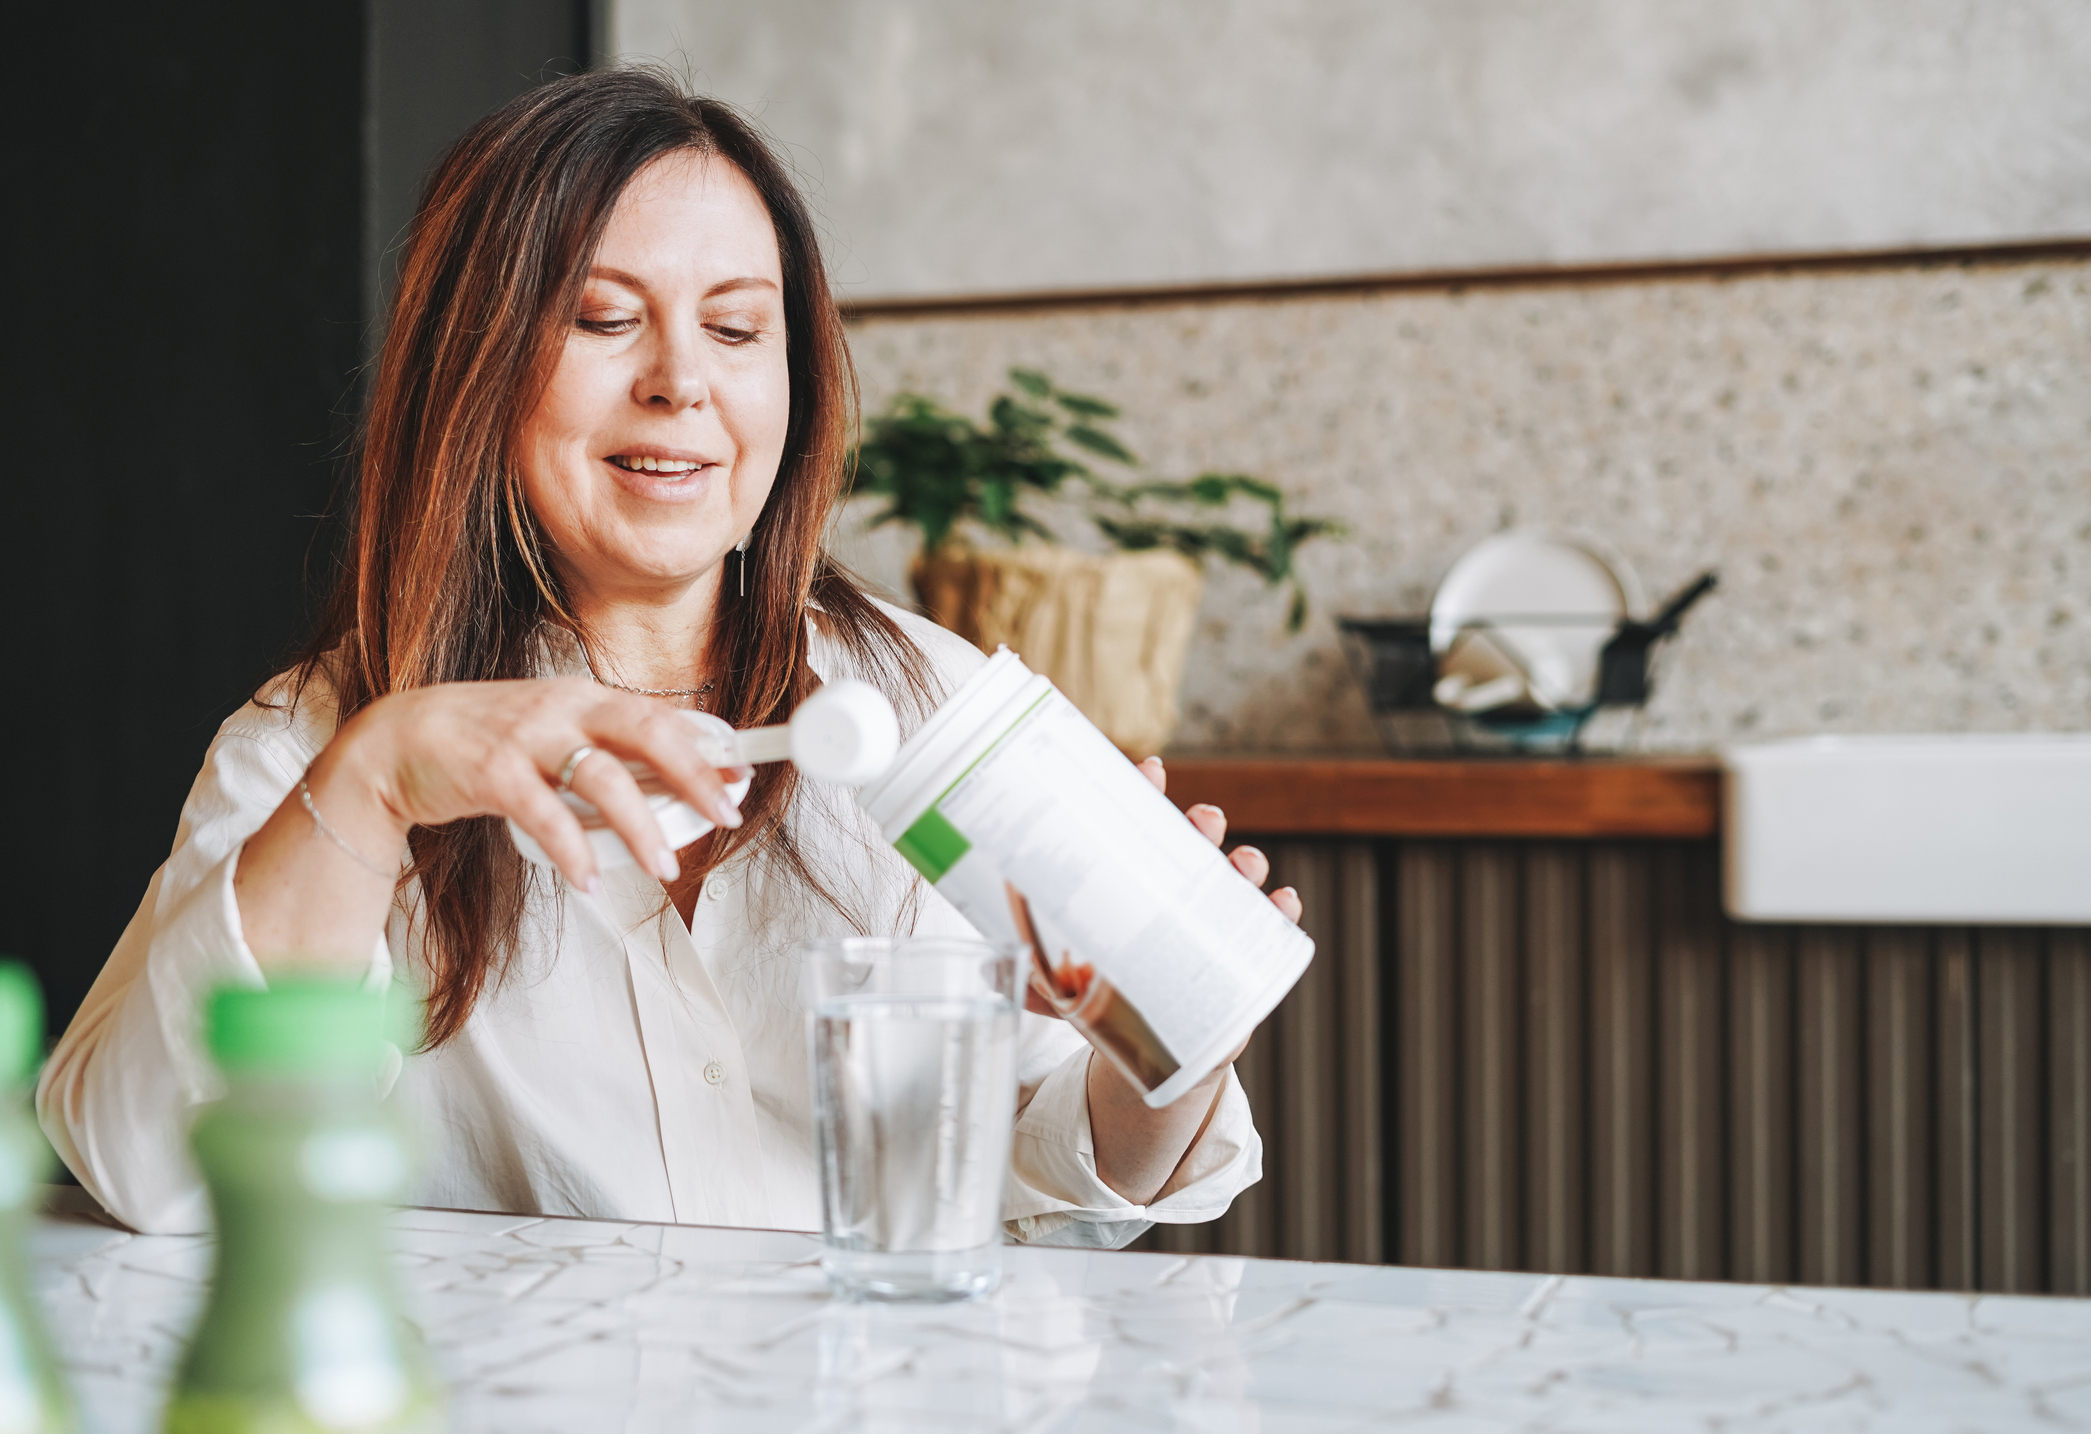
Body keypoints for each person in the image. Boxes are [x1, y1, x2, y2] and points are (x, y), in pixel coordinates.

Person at [38, 68, 1301, 1244]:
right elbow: (153, 1173)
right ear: (475, 370)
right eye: (602, 319)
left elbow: (1076, 1185)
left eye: (739, 331)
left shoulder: (932, 707)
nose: (682, 381)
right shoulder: (323, 744)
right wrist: (375, 789)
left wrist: (1173, 1025)